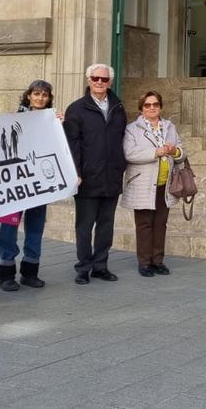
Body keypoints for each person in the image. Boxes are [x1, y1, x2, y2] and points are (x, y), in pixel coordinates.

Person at [64, 63, 127, 285]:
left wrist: (121, 167)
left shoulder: (118, 107)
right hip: (87, 178)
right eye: (95, 78)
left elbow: (121, 140)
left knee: (106, 225)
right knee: (84, 226)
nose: (99, 82)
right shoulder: (76, 109)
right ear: (88, 80)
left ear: (110, 82)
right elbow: (72, 145)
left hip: (111, 176)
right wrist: (76, 172)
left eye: (104, 79)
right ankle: (83, 267)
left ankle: (101, 266)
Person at [0, 80, 58, 292]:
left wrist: (61, 125)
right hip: (15, 182)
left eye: (45, 95)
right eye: (36, 94)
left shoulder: (54, 121)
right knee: (8, 229)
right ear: (28, 96)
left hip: (39, 182)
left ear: (49, 98)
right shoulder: (13, 120)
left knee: (35, 227)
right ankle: (6, 273)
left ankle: (30, 272)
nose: (40, 98)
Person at [122, 91, 185, 278]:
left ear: (160, 106)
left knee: (160, 224)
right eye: (147, 105)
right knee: (144, 224)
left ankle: (158, 261)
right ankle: (144, 262)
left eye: (155, 104)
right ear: (141, 108)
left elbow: (183, 152)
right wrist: (155, 152)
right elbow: (130, 154)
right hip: (142, 183)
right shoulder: (132, 129)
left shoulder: (169, 126)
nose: (152, 108)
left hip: (165, 184)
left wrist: (175, 151)